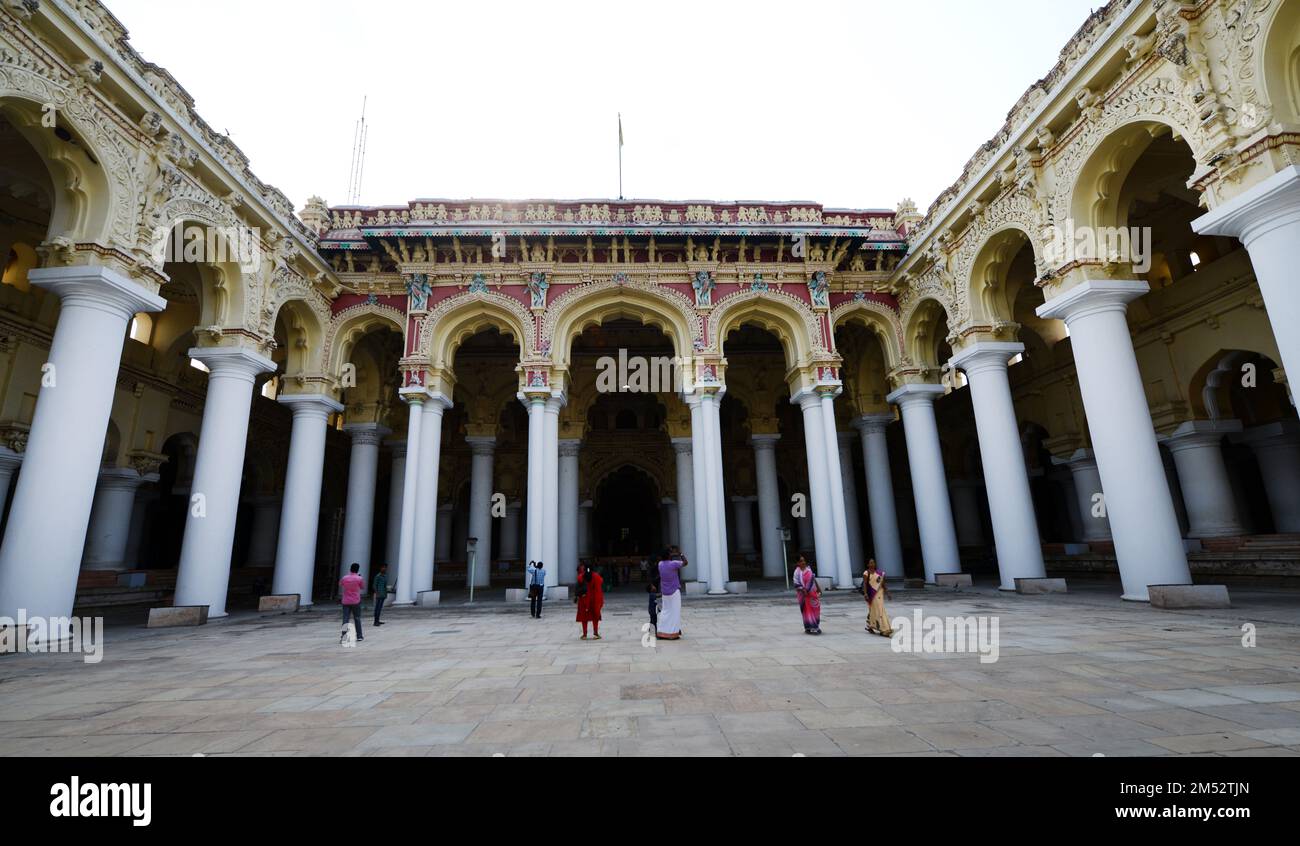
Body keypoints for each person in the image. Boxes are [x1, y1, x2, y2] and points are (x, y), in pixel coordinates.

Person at [656, 547, 685, 640]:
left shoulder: (660, 564)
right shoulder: (674, 564)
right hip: (674, 591)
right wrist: (680, 554)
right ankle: (672, 632)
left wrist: (670, 554)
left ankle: (662, 631)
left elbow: (665, 559)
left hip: (665, 592)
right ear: (669, 555)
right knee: (675, 612)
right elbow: (685, 563)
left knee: (665, 611)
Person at [864, 559, 893, 637]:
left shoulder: (880, 573)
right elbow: (865, 584)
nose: (872, 564)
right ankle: (877, 627)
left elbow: (883, 584)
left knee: (880, 609)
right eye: (870, 563)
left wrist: (888, 593)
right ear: (868, 565)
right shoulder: (866, 573)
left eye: (873, 562)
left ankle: (884, 628)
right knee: (874, 610)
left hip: (880, 593)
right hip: (871, 594)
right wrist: (865, 593)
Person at [793, 554, 821, 635]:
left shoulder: (808, 570)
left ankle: (815, 625)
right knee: (807, 611)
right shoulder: (797, 572)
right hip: (803, 595)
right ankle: (811, 628)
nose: (803, 562)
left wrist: (818, 588)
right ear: (797, 563)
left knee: (816, 610)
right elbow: (796, 583)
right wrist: (803, 589)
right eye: (801, 561)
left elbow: (813, 579)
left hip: (812, 594)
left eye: (804, 560)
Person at [575, 562, 604, 639]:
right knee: (595, 616)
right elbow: (601, 581)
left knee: (584, 617)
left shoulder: (581, 577)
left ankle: (584, 635)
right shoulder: (596, 576)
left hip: (584, 600)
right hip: (594, 599)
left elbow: (578, 585)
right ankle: (595, 633)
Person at [339, 562, 365, 642]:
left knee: (345, 619)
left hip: (346, 601)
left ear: (350, 569)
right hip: (355, 601)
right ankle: (359, 636)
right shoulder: (359, 578)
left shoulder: (344, 578)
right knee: (357, 618)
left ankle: (344, 636)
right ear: (357, 570)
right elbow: (362, 587)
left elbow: (340, 584)